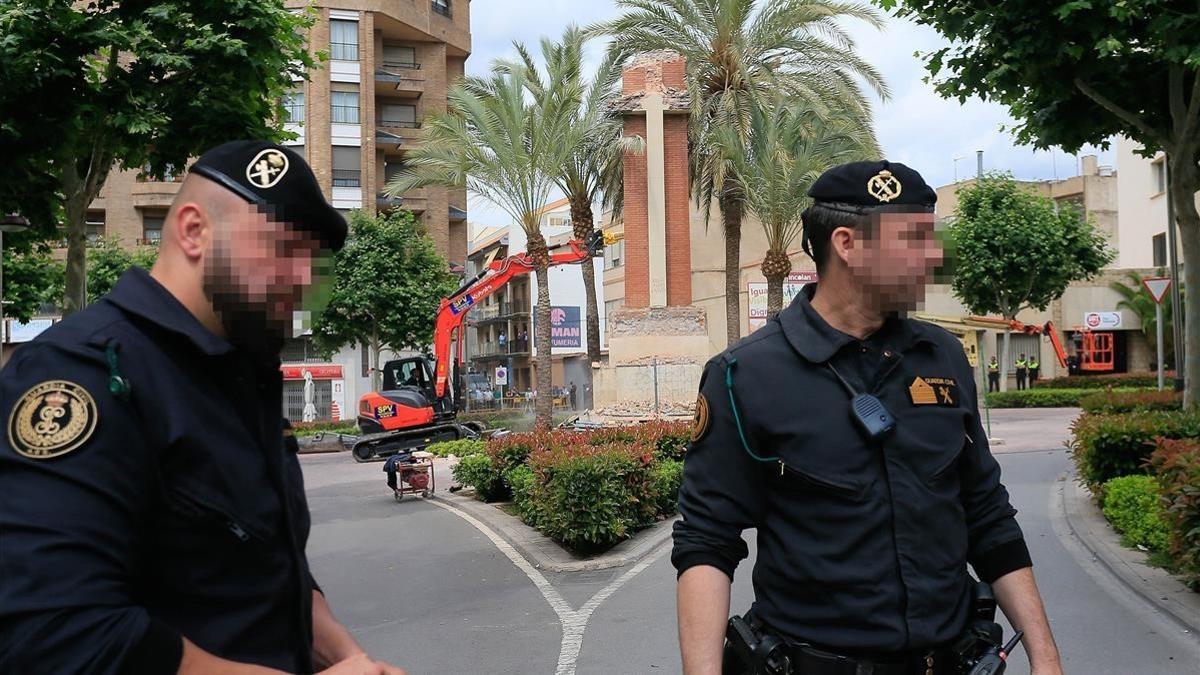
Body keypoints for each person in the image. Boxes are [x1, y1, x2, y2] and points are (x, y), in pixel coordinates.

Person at [0, 141, 404, 675]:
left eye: (315, 263)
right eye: (285, 251)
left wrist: (353, 658)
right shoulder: (81, 374)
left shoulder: (241, 376)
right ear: (193, 231)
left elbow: (271, 570)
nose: (304, 282)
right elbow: (57, 632)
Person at [673, 161, 1060, 675]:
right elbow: (707, 541)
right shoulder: (743, 375)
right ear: (847, 245)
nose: (933, 257)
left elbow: (987, 514)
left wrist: (1045, 656)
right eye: (914, 240)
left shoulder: (942, 356)